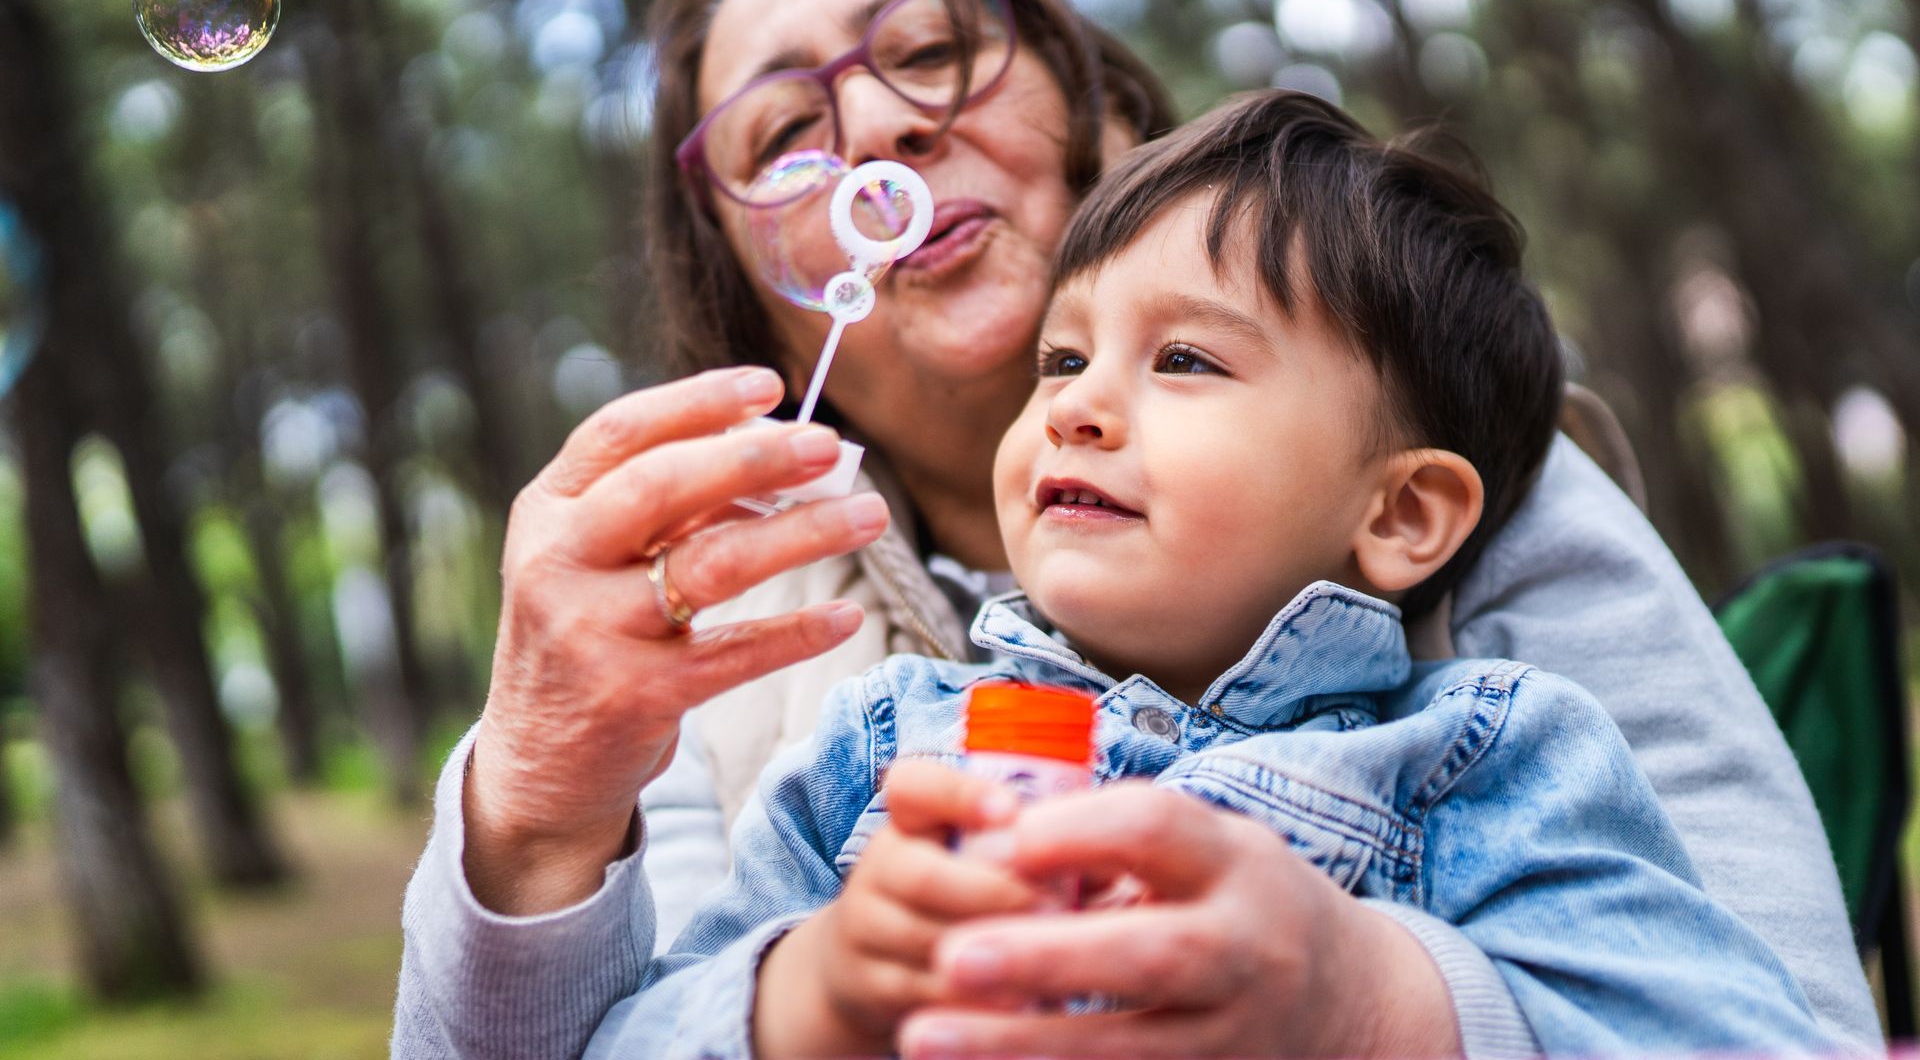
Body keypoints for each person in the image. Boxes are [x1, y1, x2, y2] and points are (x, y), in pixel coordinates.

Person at [392, 0, 1875, 1059]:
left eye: (928, 50)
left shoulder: (1490, 675)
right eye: (782, 134)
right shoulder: (760, 673)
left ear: (1106, 120)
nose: (880, 127)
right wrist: (704, 932)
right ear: (751, 293)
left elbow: (1786, 1022)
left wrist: (1374, 1009)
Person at [586, 89, 1831, 1059]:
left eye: (1182, 358)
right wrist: (803, 997)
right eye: (1061, 360)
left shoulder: (1484, 757)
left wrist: (1372, 999)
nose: (1077, 409)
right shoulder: (879, 747)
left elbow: (1742, 1032)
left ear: (1402, 512)